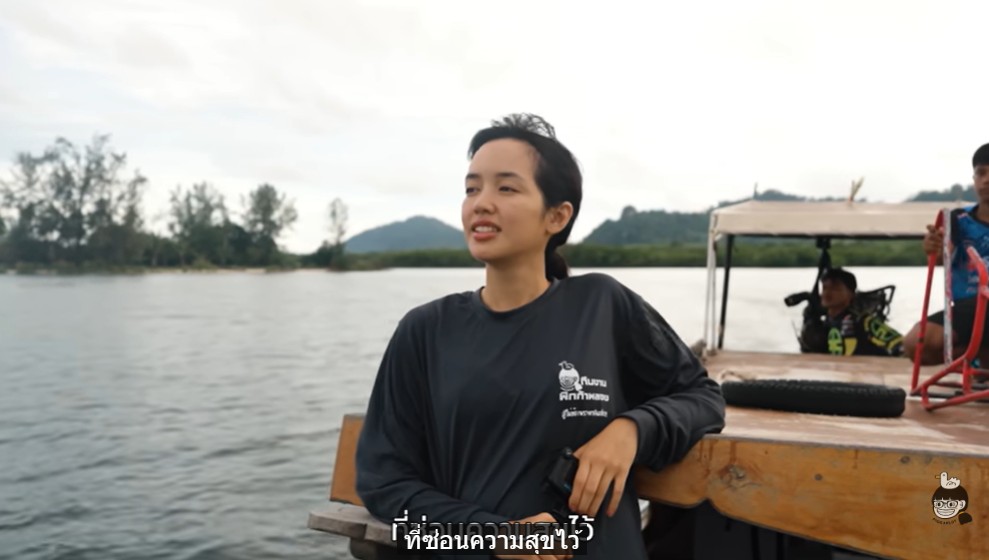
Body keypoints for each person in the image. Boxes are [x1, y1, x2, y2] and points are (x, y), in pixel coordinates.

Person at [354, 113, 727, 560]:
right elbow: (384, 484)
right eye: (472, 188)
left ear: (556, 215)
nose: (481, 203)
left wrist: (632, 430)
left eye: (506, 188)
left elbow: (703, 398)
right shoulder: (426, 331)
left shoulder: (602, 306)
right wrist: (496, 537)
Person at [904, 142, 989, 366]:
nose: (987, 180)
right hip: (968, 308)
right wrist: (933, 247)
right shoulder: (957, 219)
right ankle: (979, 356)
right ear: (974, 179)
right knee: (915, 344)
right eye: (981, 173)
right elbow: (943, 255)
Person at [815, 267, 904, 357]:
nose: (827, 293)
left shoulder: (864, 322)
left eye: (835, 289)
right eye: (824, 288)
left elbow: (900, 344)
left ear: (851, 294)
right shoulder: (823, 324)